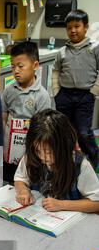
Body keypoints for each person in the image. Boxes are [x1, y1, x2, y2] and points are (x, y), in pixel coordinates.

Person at [14, 109, 99, 213]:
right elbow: (20, 179)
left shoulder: (80, 165)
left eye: (48, 152)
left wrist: (62, 204)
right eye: (37, 150)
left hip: (68, 222)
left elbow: (96, 203)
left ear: (64, 146)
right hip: (38, 216)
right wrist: (23, 190)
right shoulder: (31, 156)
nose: (42, 157)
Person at [52, 9, 99, 169]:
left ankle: (93, 159)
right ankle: (67, 162)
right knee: (64, 131)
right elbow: (56, 71)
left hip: (85, 96)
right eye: (69, 27)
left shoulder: (94, 49)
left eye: (77, 26)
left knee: (83, 132)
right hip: (64, 95)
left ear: (85, 27)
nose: (73, 30)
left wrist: (94, 91)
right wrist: (56, 92)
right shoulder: (62, 51)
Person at [2, 41, 52, 183]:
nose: (16, 70)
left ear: (35, 66)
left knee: (27, 182)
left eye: (20, 66)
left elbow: (43, 128)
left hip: (29, 151)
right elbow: (3, 118)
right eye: (13, 66)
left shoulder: (42, 95)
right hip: (8, 151)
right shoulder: (9, 91)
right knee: (7, 182)